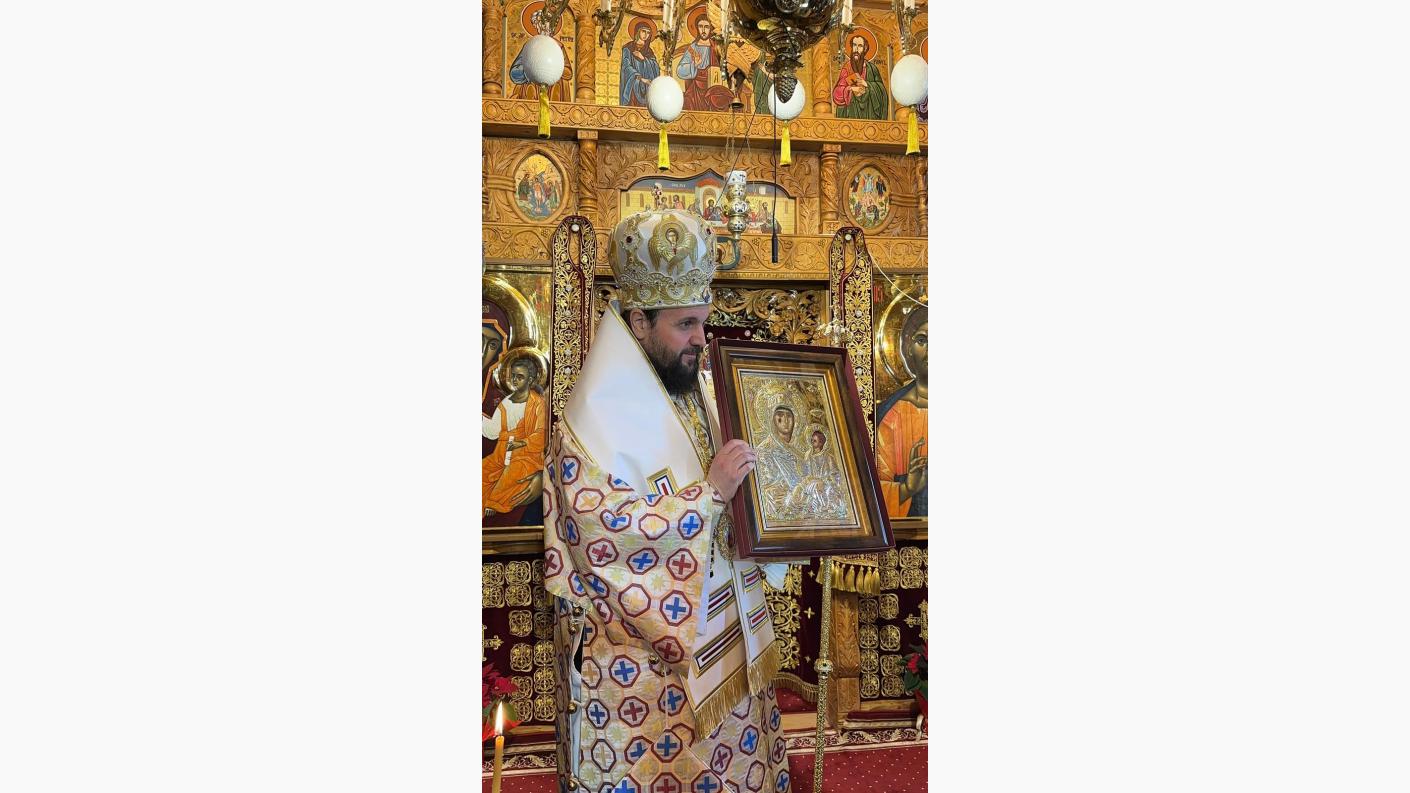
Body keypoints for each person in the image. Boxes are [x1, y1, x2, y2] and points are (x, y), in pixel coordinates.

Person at [544, 209, 792, 793]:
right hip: (640, 667)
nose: (701, 340)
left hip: (726, 627)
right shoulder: (590, 420)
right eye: (685, 325)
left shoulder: (699, 388)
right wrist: (709, 495)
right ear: (638, 322)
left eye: (703, 322)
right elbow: (602, 534)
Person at [875, 306, 928, 516]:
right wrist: (908, 488)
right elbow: (874, 489)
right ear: (908, 348)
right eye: (922, 340)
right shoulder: (893, 415)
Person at [483, 352, 548, 516]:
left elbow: (542, 432)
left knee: (513, 471)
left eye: (520, 377)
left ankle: (495, 503)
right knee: (483, 469)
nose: (515, 380)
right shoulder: (506, 402)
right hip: (501, 453)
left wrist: (523, 442)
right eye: (513, 376)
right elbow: (492, 431)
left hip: (526, 455)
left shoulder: (538, 403)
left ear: (530, 380)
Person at [675, 17, 732, 111]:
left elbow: (726, 67)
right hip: (696, 87)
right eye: (700, 26)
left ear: (711, 29)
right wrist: (694, 65)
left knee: (722, 100)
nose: (703, 30)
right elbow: (679, 70)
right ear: (697, 28)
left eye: (706, 27)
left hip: (713, 86)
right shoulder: (693, 48)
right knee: (687, 102)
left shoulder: (716, 47)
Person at [831, 34, 888, 120]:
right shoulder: (847, 68)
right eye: (854, 45)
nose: (856, 49)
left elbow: (882, 92)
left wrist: (867, 84)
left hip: (870, 117)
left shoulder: (872, 69)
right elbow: (837, 94)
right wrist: (850, 89)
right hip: (850, 118)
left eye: (860, 46)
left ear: (865, 49)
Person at [618, 21, 660, 107]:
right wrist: (640, 78)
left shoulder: (649, 51)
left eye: (648, 32)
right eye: (643, 31)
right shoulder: (628, 48)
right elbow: (626, 67)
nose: (646, 35)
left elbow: (656, 68)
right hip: (633, 85)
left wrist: (643, 59)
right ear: (637, 31)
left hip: (647, 87)